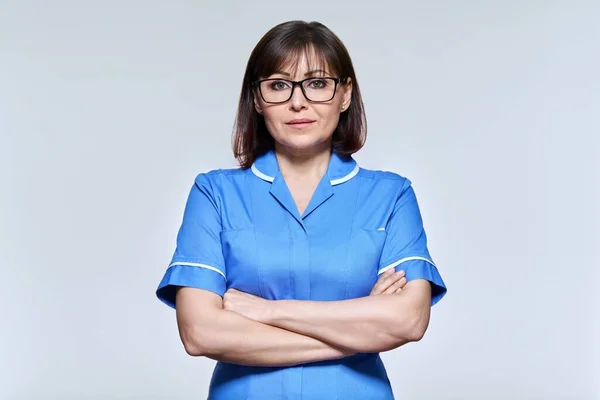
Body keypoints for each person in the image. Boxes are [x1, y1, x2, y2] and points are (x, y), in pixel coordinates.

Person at [156, 20, 447, 400]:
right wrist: (361, 328)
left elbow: (409, 320)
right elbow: (200, 333)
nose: (298, 101)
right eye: (278, 85)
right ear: (257, 99)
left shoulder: (391, 196)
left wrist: (268, 311)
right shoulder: (215, 193)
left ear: (345, 95)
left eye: (318, 83)